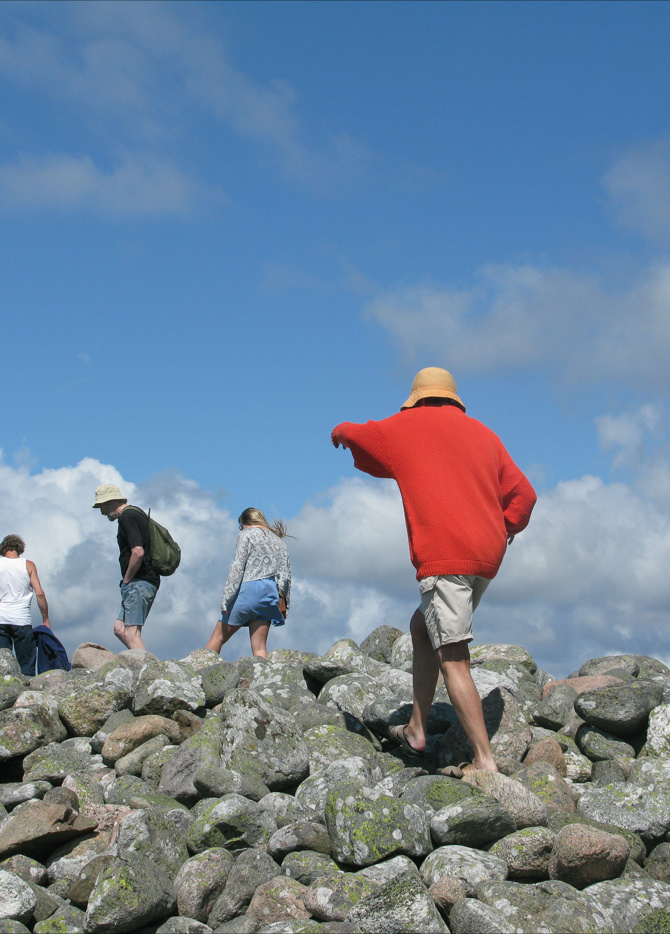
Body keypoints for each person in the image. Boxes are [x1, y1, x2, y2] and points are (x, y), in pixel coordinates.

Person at [331, 367, 537, 775]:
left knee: (453, 656)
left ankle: (484, 759)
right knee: (424, 627)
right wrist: (505, 526)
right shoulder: (484, 433)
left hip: (447, 556)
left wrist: (339, 433)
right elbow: (524, 494)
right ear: (453, 398)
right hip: (487, 555)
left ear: (417, 398)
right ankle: (418, 728)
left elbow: (360, 434)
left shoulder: (408, 425)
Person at [205, 507, 291, 658]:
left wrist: (226, 598)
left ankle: (197, 673)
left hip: (248, 590)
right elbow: (285, 577)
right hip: (270, 593)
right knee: (259, 648)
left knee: (218, 638)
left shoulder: (246, 535)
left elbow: (237, 568)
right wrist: (285, 605)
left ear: (245, 522)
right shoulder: (279, 542)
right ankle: (262, 679)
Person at [92, 484, 159, 651]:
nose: (102, 512)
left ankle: (151, 673)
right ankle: (146, 667)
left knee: (131, 633)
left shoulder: (127, 517)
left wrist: (127, 580)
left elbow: (138, 552)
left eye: (102, 507)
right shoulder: (137, 513)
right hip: (142, 581)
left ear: (110, 502)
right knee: (119, 628)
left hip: (138, 582)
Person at [0, 534, 51, 676]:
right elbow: (39, 593)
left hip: (1, 619)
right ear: (20, 549)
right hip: (21, 620)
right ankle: (27, 694)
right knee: (27, 666)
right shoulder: (28, 565)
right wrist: (45, 620)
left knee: (2, 666)